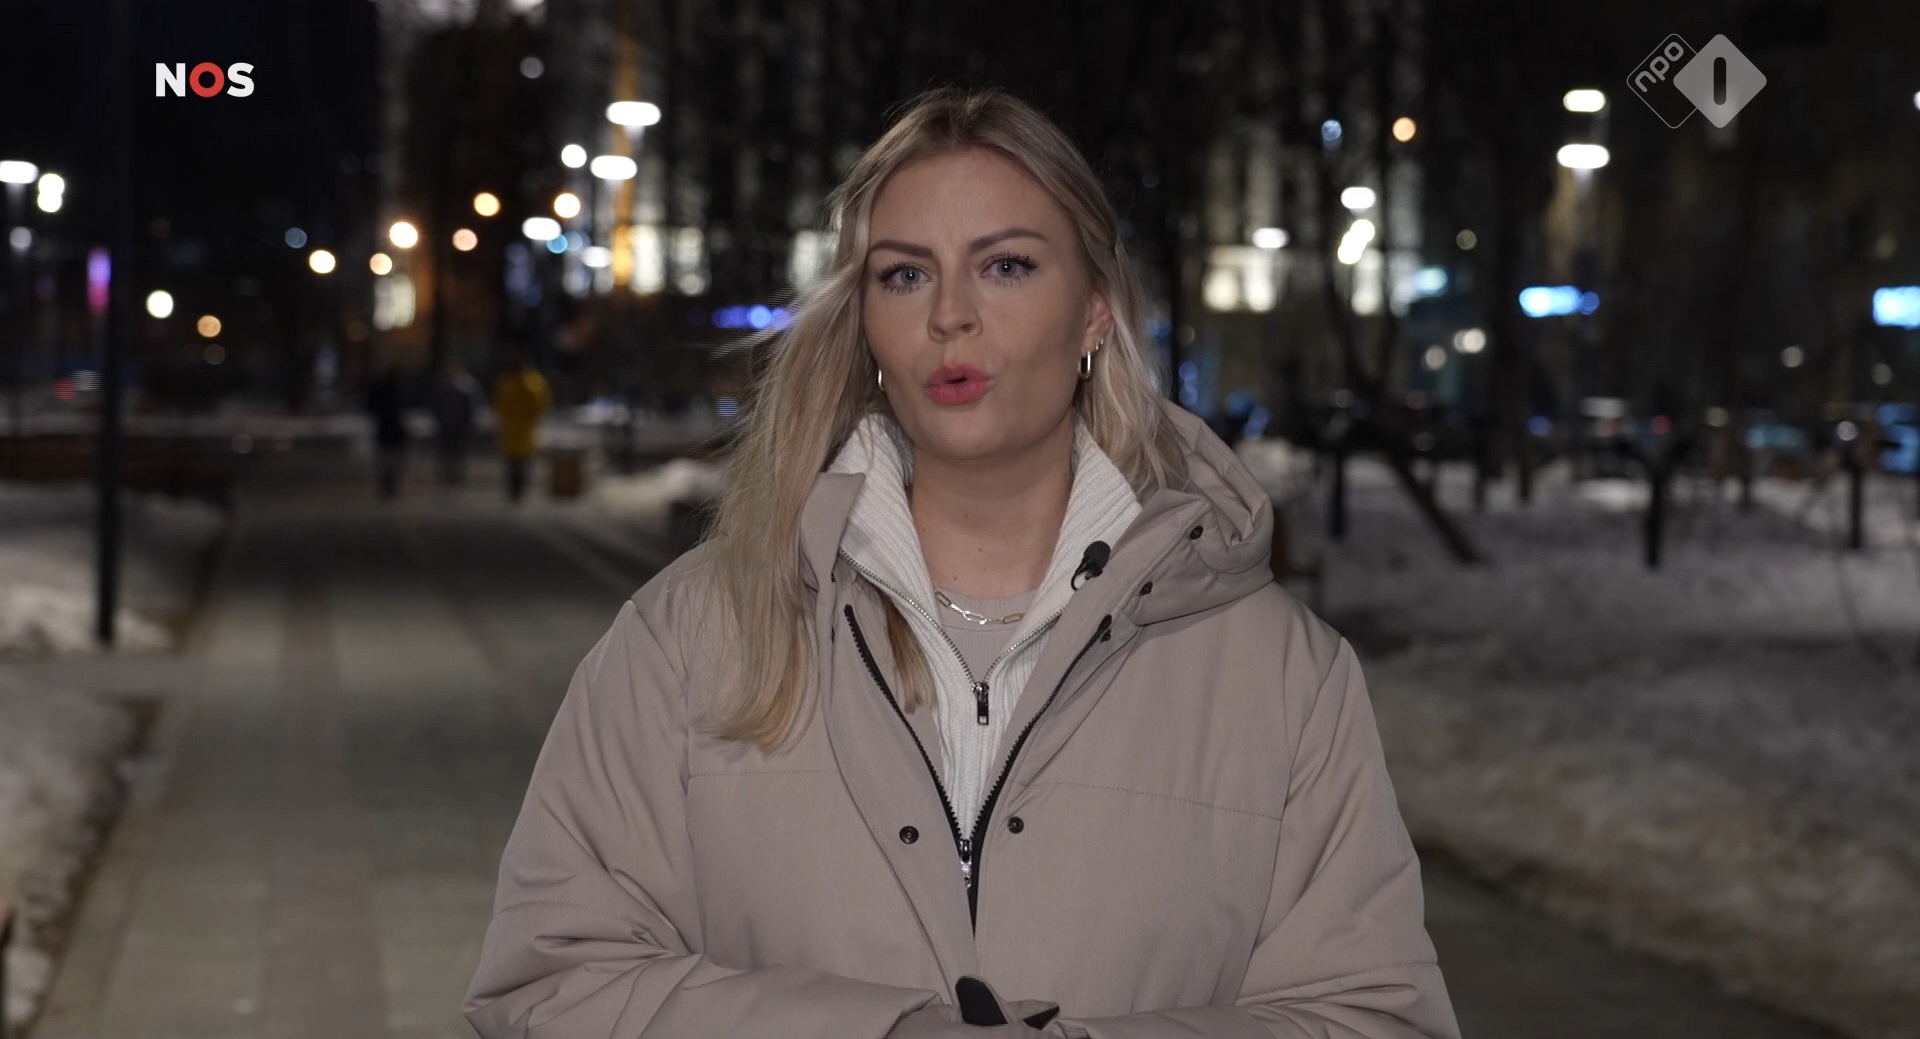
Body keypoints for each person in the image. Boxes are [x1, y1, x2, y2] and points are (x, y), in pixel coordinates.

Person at [465, 88, 1458, 1039]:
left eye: (1006, 265)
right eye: (905, 275)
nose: (949, 315)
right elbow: (552, 985)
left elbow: (1370, 1016)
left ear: (1096, 310)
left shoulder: (1281, 676)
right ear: (866, 321)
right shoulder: (691, 639)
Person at [490, 347, 551, 504]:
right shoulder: (515, 384)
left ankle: (518, 490)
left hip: (522, 431)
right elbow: (499, 406)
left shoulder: (528, 384)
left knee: (520, 462)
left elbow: (540, 405)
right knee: (515, 463)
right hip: (515, 431)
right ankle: (515, 490)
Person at [430, 357, 481, 492]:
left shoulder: (465, 389)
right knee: (446, 456)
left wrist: (468, 425)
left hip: (459, 428)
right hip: (445, 427)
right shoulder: (443, 388)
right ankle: (446, 480)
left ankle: (457, 480)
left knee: (458, 456)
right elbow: (436, 407)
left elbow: (469, 410)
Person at [364, 361, 408, 501]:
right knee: (390, 462)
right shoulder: (394, 394)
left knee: (386, 462)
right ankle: (388, 487)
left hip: (386, 433)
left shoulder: (382, 393)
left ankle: (387, 486)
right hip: (390, 433)